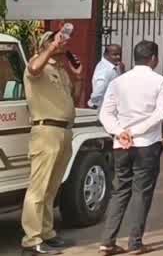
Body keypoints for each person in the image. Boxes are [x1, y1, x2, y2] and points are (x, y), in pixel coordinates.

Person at [98, 40, 163, 255]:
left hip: (121, 145)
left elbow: (105, 113)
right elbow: (159, 115)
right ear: (154, 59)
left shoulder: (118, 82)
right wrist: (136, 132)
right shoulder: (160, 82)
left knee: (120, 191)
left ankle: (107, 242)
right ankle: (135, 242)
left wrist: (120, 132)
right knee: (141, 192)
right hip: (146, 145)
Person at [21, 28, 83, 255]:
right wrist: (51, 47)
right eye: (53, 41)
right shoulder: (36, 66)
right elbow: (34, 68)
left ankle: (46, 232)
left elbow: (75, 99)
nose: (60, 44)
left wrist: (78, 77)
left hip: (64, 131)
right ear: (43, 46)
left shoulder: (60, 71)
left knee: (51, 188)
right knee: (38, 189)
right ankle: (31, 240)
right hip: (46, 131)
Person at [89, 44, 123, 109]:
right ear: (106, 55)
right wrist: (95, 104)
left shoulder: (112, 66)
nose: (118, 57)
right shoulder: (105, 70)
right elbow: (98, 91)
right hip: (104, 109)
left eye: (119, 54)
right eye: (115, 55)